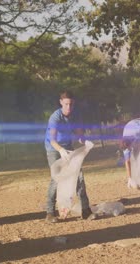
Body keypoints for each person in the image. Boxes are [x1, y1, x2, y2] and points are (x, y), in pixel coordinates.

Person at [44, 90, 96, 223]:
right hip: (54, 149)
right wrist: (61, 151)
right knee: (56, 179)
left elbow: (80, 136)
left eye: (71, 104)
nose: (69, 107)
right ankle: (50, 213)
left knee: (79, 177)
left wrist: (86, 142)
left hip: (68, 147)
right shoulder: (55, 117)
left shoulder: (76, 115)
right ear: (61, 102)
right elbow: (52, 140)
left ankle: (86, 211)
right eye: (66, 104)